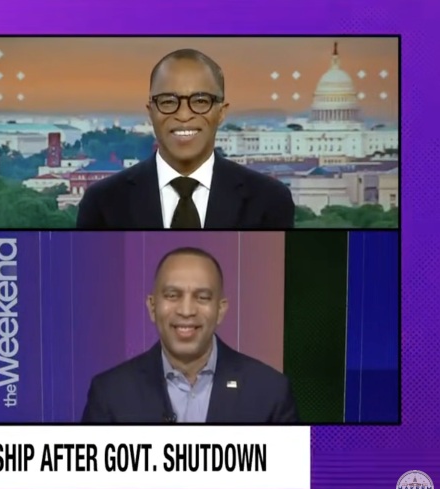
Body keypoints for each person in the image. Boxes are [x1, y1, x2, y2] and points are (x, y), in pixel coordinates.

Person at [76, 49, 294, 229]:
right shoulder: (103, 201)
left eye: (200, 101)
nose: (183, 115)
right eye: (168, 101)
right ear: (150, 111)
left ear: (221, 112)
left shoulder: (269, 200)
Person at [81, 247, 298, 423]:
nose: (186, 311)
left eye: (202, 297)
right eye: (172, 295)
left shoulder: (270, 391)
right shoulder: (110, 393)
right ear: (152, 307)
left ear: (220, 310)